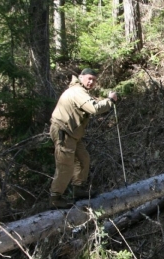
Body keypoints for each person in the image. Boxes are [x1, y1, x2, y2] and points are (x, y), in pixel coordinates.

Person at [49, 68, 118, 208]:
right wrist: (110, 101)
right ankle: (55, 198)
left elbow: (91, 104)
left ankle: (78, 189)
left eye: (94, 80)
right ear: (81, 78)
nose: (91, 82)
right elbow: (94, 108)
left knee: (83, 159)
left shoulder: (80, 91)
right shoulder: (77, 92)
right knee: (65, 165)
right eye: (89, 79)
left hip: (72, 134)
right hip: (64, 132)